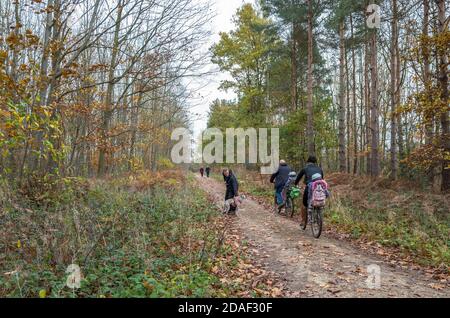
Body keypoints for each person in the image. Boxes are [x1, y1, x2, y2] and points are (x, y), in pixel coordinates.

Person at [295, 156, 324, 227]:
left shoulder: (305, 168)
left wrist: (295, 184)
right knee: (319, 199)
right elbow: (322, 178)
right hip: (319, 186)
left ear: (308, 161)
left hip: (309, 187)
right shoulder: (319, 169)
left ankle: (304, 221)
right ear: (315, 162)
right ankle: (318, 215)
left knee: (304, 204)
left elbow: (298, 177)